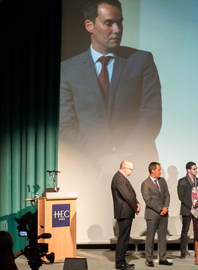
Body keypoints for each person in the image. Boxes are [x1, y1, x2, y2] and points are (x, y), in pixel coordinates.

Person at [59, 0, 162, 177]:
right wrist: (100, 158)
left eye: (119, 22)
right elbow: (66, 127)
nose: (117, 29)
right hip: (90, 171)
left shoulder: (142, 60)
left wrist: (121, 158)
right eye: (109, 23)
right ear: (89, 25)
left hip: (137, 169)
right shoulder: (68, 69)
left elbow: (151, 116)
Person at [141, 162, 172, 267]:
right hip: (152, 214)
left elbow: (167, 195)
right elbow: (148, 200)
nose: (161, 171)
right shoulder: (145, 183)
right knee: (150, 238)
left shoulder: (162, 181)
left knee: (162, 237)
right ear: (152, 171)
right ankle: (149, 259)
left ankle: (162, 258)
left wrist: (165, 208)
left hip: (164, 214)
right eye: (159, 170)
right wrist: (160, 209)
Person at [111, 160, 140, 270]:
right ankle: (120, 263)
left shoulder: (121, 178)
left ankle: (122, 261)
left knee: (125, 238)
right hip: (124, 212)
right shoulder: (119, 178)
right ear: (124, 168)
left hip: (126, 212)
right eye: (131, 169)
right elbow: (127, 196)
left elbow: (131, 194)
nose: (132, 171)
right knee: (123, 238)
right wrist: (136, 206)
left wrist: (136, 203)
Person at [177, 162, 198, 259]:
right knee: (185, 231)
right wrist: (192, 205)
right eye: (194, 169)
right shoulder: (182, 181)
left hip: (197, 209)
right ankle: (183, 251)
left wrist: (197, 205)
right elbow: (181, 196)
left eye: (196, 168)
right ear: (188, 170)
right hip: (187, 209)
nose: (196, 170)